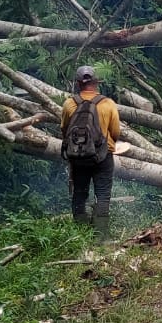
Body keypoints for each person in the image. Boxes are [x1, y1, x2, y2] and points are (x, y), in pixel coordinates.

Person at [60, 66, 120, 232]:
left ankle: (80, 234)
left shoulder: (69, 104)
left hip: (78, 156)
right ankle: (101, 237)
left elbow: (64, 130)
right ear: (96, 83)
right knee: (102, 195)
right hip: (103, 156)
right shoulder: (108, 104)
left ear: (78, 83)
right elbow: (115, 132)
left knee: (79, 193)